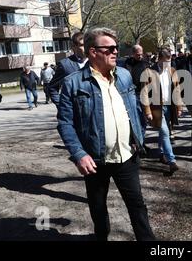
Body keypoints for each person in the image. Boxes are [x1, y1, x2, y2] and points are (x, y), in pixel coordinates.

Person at [57, 27, 155, 241]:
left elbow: (135, 110)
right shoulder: (73, 83)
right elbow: (65, 123)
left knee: (137, 206)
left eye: (116, 48)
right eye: (110, 48)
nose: (115, 52)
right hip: (94, 160)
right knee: (98, 209)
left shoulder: (125, 75)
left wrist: (139, 137)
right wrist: (78, 154)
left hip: (127, 156)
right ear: (93, 52)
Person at [141, 48, 183, 174]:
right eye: (165, 62)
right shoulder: (149, 72)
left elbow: (177, 90)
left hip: (169, 107)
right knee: (165, 132)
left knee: (165, 131)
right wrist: (147, 111)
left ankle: (161, 153)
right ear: (159, 59)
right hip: (156, 108)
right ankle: (172, 161)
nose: (167, 65)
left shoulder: (172, 71)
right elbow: (144, 93)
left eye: (169, 62)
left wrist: (179, 107)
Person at [123, 45, 151, 153]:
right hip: (132, 95)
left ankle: (141, 142)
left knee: (143, 121)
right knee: (136, 120)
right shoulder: (127, 64)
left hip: (144, 95)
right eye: (137, 54)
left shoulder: (146, 64)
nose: (140, 56)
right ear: (133, 53)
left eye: (141, 54)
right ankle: (138, 144)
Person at [48, 32, 87, 107]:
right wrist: (61, 105)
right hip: (75, 111)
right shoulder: (65, 65)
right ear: (74, 47)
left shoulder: (96, 61)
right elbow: (52, 88)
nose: (86, 47)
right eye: (82, 45)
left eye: (87, 44)